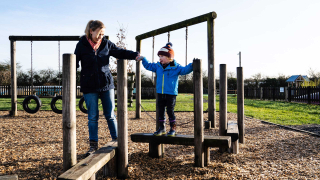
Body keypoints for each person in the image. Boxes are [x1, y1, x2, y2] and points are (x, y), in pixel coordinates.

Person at [75, 20, 140, 157]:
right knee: (93, 116)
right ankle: (93, 145)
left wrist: (135, 55)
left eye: (103, 34)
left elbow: (119, 52)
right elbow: (74, 62)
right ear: (91, 31)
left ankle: (117, 140)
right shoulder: (81, 44)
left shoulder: (106, 44)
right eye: (99, 33)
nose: (101, 37)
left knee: (110, 115)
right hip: (89, 85)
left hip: (106, 84)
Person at [136, 42, 193, 136]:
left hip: (171, 93)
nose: (160, 58)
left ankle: (173, 128)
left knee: (170, 110)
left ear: (169, 57)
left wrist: (191, 65)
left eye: (162, 56)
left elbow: (185, 70)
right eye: (159, 56)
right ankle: (162, 128)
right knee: (161, 110)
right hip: (160, 92)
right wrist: (143, 59)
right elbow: (148, 66)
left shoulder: (176, 67)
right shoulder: (157, 66)